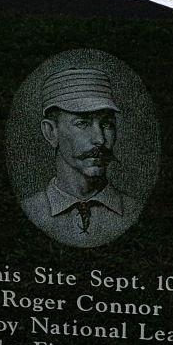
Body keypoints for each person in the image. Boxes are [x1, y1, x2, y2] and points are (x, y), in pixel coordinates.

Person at [22, 65, 143, 247]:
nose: (100, 140)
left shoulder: (134, 212)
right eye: (82, 123)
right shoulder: (31, 211)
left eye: (107, 124)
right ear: (51, 132)